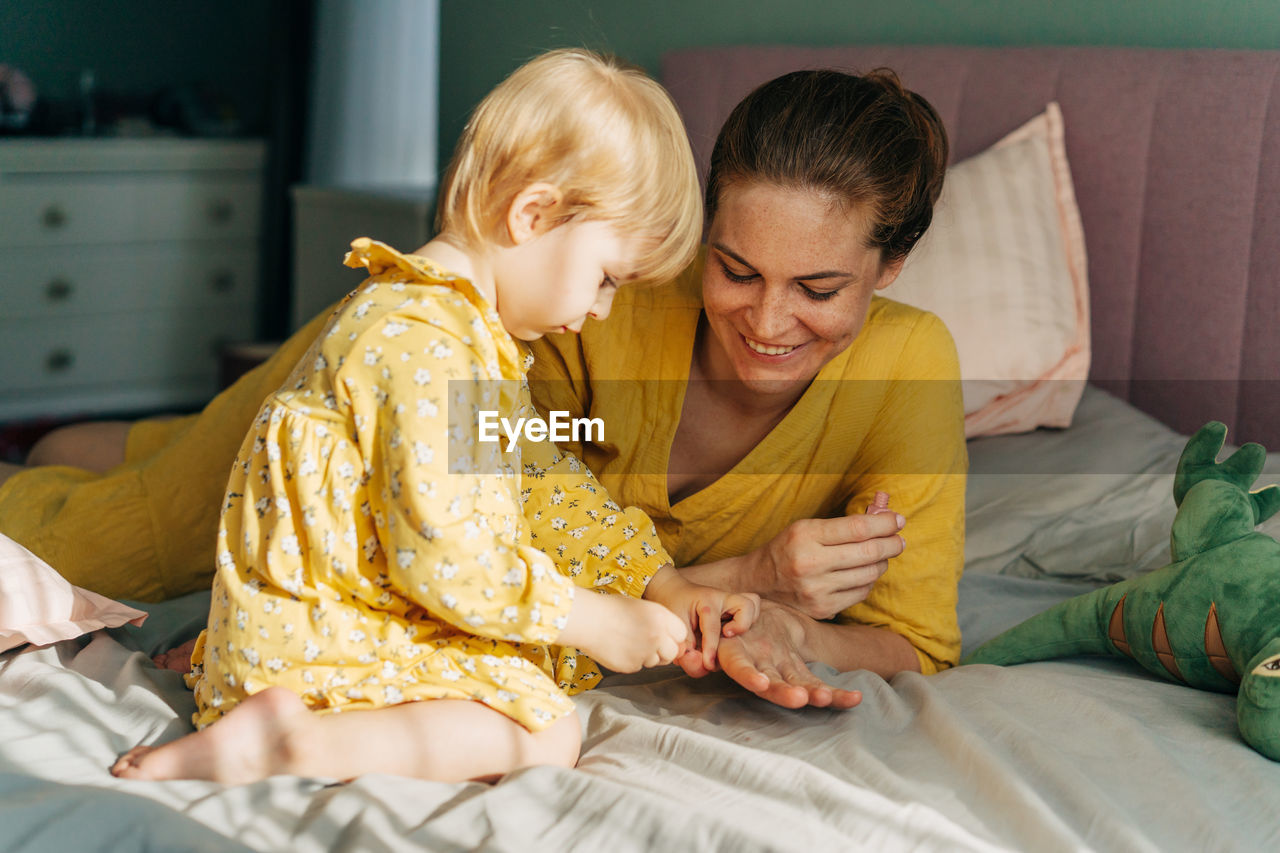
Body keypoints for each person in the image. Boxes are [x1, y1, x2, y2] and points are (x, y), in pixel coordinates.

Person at [1, 63, 963, 713]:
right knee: (120, 538)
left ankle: (107, 440)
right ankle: (115, 447)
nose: (765, 319)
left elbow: (915, 642)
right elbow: (458, 516)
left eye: (820, 288)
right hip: (380, 401)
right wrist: (739, 579)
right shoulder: (582, 301)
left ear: (892, 267)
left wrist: (774, 619)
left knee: (135, 461)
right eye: (737, 269)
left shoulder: (909, 367)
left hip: (409, 427)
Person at [106, 48, 759, 785]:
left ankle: (273, 707)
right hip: (327, 644)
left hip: (322, 626)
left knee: (526, 677)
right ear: (532, 213)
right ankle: (290, 743)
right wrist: (590, 618)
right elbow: (445, 557)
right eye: (605, 279)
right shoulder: (429, 348)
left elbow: (540, 481)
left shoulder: (439, 325)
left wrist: (652, 582)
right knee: (547, 728)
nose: (599, 311)